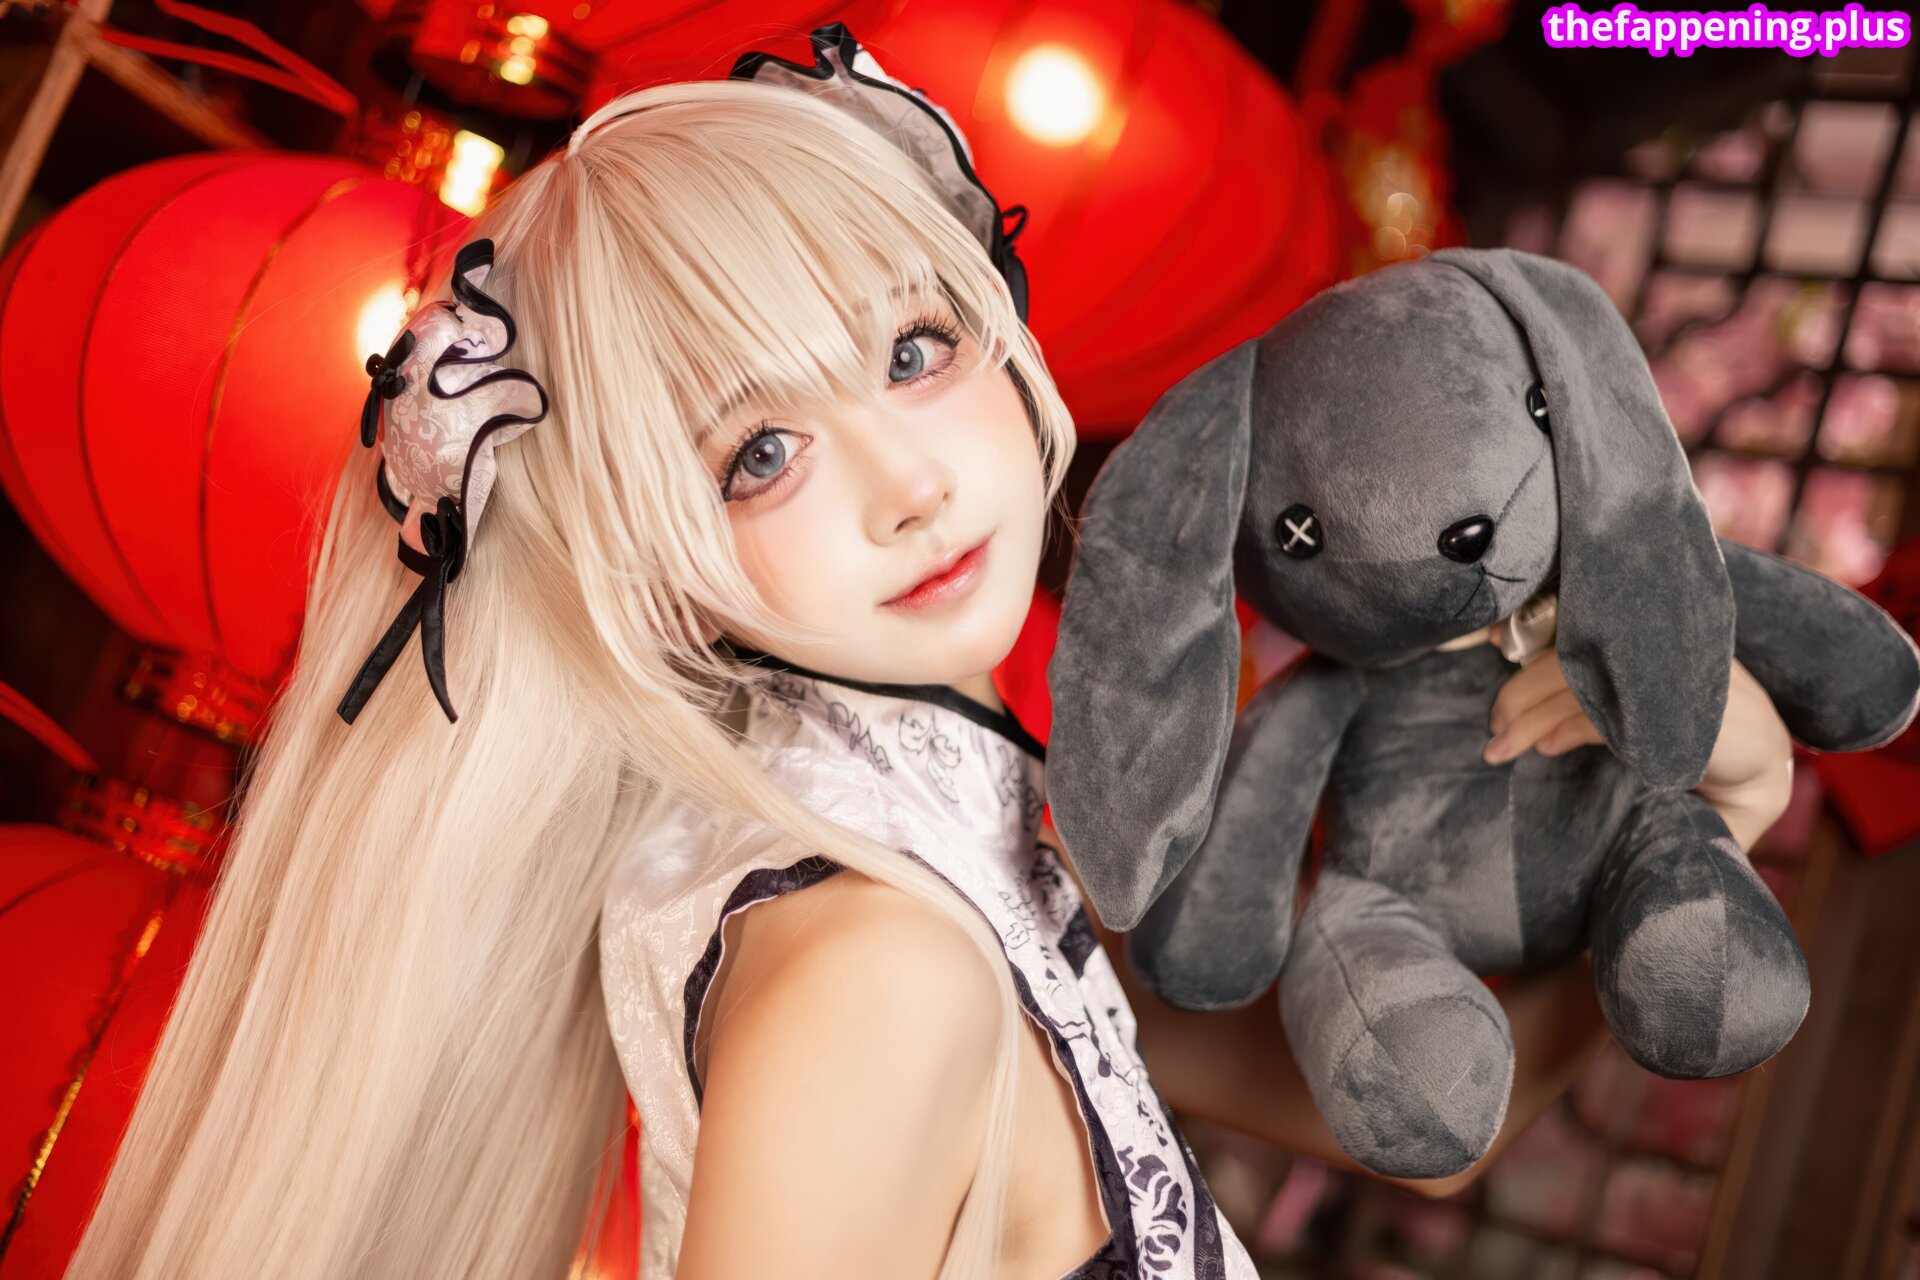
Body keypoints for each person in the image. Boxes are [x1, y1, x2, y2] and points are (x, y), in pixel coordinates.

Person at [64, 27, 1795, 1280]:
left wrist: (1702, 792)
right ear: (638, 553)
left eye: (911, 348)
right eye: (758, 452)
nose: (908, 482)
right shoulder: (872, 964)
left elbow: (1421, 1114)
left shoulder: (955, 859)